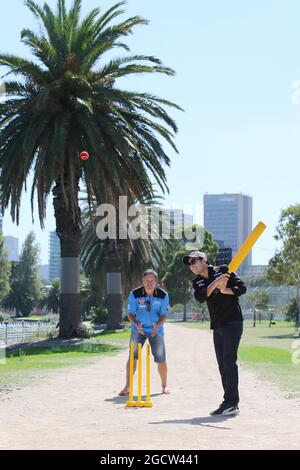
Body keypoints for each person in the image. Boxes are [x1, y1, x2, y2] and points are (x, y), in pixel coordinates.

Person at [183, 250, 247, 416]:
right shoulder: (197, 282)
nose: (192, 266)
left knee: (229, 361)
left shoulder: (225, 269)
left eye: (194, 261)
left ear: (204, 260)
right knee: (222, 365)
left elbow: (241, 288)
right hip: (217, 324)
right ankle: (228, 401)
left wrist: (225, 289)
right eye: (190, 264)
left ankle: (233, 403)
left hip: (233, 321)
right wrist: (216, 283)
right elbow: (201, 297)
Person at [119, 269, 171, 396]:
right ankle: (127, 386)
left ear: (155, 282)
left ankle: (164, 386)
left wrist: (157, 325)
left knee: (161, 358)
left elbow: (164, 314)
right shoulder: (134, 294)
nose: (149, 283)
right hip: (138, 329)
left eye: (152, 281)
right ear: (142, 281)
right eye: (147, 280)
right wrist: (136, 324)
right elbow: (130, 313)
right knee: (133, 357)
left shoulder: (163, 295)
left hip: (155, 330)